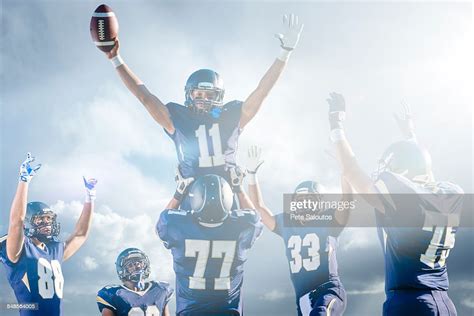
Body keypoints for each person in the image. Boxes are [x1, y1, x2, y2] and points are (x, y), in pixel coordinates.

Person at [100, 13, 303, 202]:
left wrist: (284, 53)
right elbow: (143, 96)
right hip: (189, 199)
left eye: (209, 95)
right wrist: (115, 59)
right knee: (165, 228)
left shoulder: (230, 115)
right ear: (190, 94)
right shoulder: (177, 118)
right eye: (199, 94)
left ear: (219, 97)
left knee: (252, 225)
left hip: (229, 198)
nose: (203, 99)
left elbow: (261, 92)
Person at [326, 93, 463, 315]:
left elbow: (352, 171)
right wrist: (411, 137)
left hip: (411, 303)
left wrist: (336, 124)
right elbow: (423, 172)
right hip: (444, 304)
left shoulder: (404, 198)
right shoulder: (450, 193)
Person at [246, 145, 352, 316]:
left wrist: (345, 169)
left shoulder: (329, 221)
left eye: (309, 199)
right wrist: (252, 176)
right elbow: (258, 208)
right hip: (303, 297)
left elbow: (347, 199)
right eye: (300, 199)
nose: (304, 203)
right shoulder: (287, 224)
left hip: (328, 290)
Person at [0, 153, 97, 315]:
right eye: (40, 219)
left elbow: (81, 234)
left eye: (49, 218)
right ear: (29, 222)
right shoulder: (19, 250)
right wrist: (24, 180)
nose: (47, 223)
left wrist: (90, 197)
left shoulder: (54, 250)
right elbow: (16, 222)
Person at [156, 174, 263, 315]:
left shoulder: (177, 225)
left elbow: (160, 226)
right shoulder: (243, 226)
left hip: (190, 312)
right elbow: (255, 216)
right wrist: (238, 188)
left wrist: (178, 194)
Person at [96, 248, 173, 316]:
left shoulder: (160, 289)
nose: (137, 267)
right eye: (130, 265)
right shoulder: (113, 294)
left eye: (139, 263)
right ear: (122, 270)